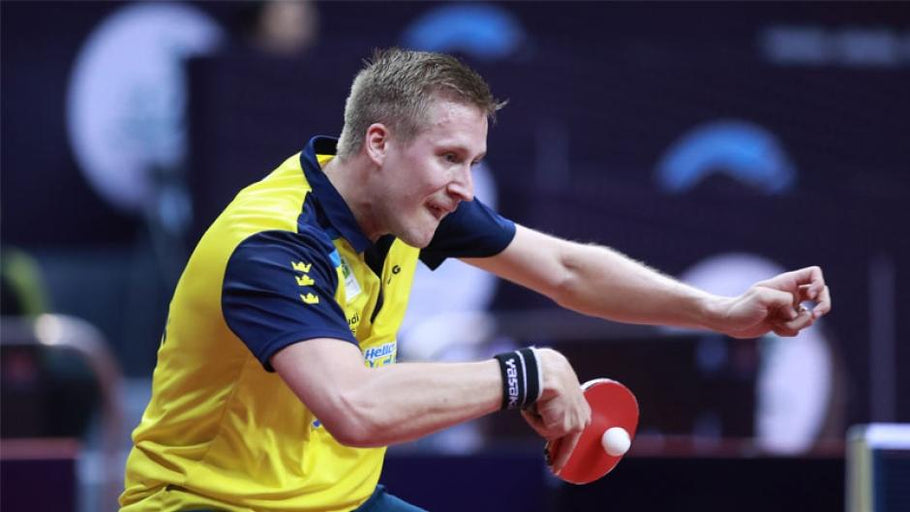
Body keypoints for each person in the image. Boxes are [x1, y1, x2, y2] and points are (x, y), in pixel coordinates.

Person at [120, 48, 831, 512]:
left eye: (475, 162)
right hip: (208, 502)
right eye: (451, 158)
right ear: (379, 144)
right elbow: (356, 407)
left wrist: (719, 310)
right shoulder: (272, 246)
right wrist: (525, 374)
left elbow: (566, 268)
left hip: (333, 499)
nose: (465, 186)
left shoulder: (411, 204)